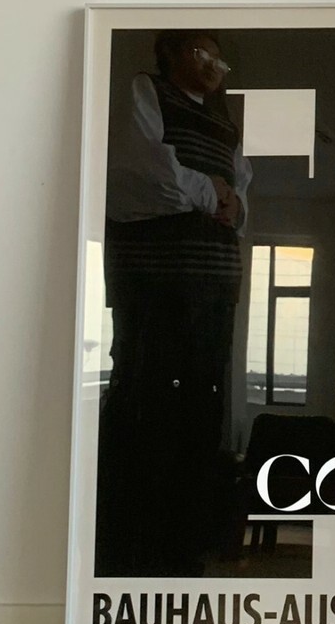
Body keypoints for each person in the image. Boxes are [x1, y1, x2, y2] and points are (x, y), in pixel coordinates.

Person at [96, 31, 253, 575]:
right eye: (201, 53)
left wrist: (229, 203)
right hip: (157, 285)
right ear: (169, 53)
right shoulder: (147, 91)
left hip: (215, 289)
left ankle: (183, 555)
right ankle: (134, 553)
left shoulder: (226, 126)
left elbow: (240, 192)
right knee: (148, 406)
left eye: (220, 60)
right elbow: (140, 174)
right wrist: (212, 193)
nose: (213, 66)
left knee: (200, 413)